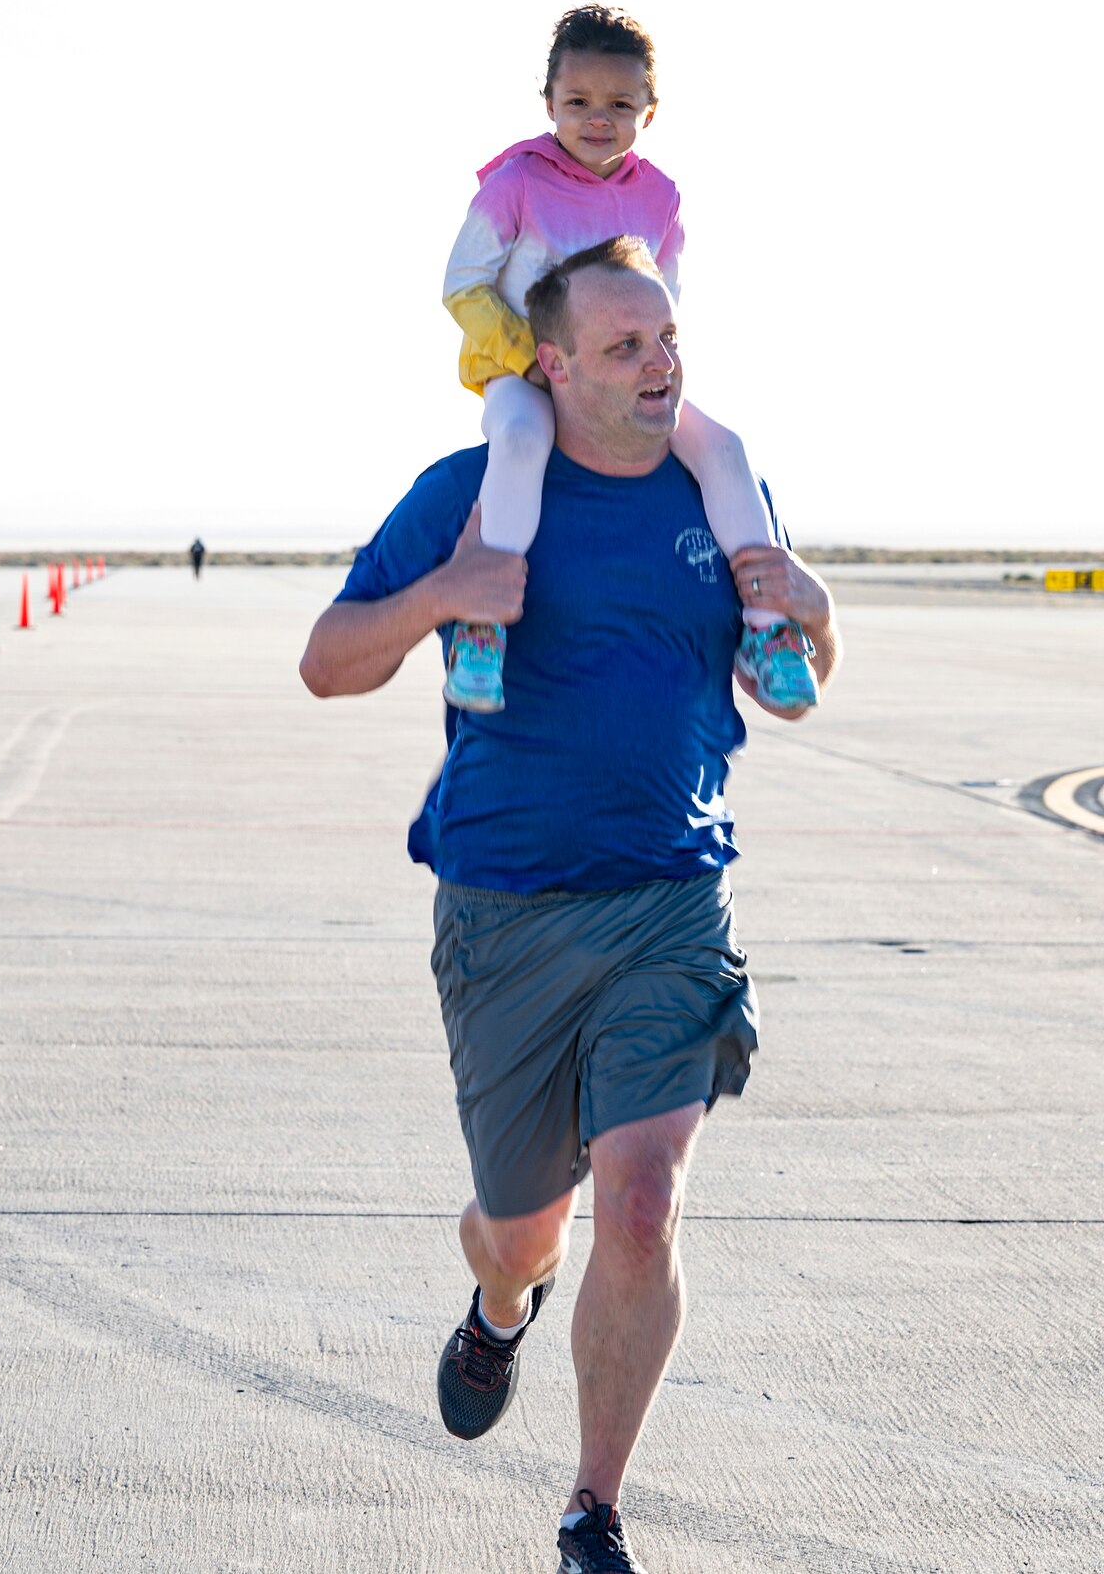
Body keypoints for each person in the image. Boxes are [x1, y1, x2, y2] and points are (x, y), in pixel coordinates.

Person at [300, 237, 839, 1573]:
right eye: (625, 347)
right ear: (552, 366)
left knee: (644, 1200)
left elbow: (788, 672)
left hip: (674, 897)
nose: (661, 366)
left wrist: (817, 616)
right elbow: (325, 661)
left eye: (668, 340)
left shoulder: (728, 494)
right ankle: (500, 1301)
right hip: (507, 910)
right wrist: (439, 596)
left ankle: (592, 1507)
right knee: (524, 1225)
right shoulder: (470, 494)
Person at [440, 4, 816, 719]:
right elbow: (462, 284)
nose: (597, 117)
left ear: (651, 108)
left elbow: (664, 307)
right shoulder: (516, 181)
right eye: (577, 101)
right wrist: (537, 363)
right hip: (525, 374)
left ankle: (770, 633)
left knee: (725, 448)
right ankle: (481, 629)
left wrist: (657, 372)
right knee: (520, 442)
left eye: (620, 102)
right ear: (548, 101)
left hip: (621, 382)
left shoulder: (661, 196)